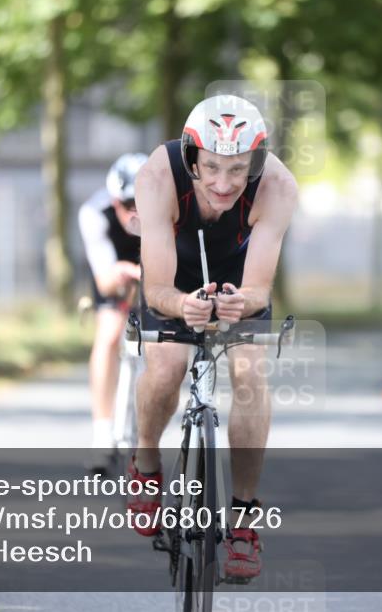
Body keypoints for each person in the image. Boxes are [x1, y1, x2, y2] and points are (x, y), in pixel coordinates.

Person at [127, 94, 297, 582]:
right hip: (174, 273)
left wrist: (237, 304)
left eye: (238, 170)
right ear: (191, 158)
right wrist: (184, 305)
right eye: (213, 168)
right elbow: (157, 286)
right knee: (166, 366)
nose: (224, 184)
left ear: (256, 163)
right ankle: (145, 458)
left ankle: (243, 520)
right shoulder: (157, 177)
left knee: (249, 373)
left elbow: (259, 287)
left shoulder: (279, 187)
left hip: (240, 277)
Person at [78, 153, 147, 473]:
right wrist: (124, 273)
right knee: (108, 333)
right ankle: (103, 431)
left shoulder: (172, 209)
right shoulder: (95, 213)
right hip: (115, 267)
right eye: (128, 204)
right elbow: (105, 281)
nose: (135, 212)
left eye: (142, 203)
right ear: (114, 200)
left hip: (155, 264)